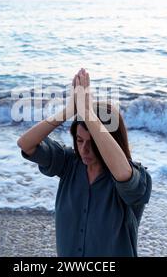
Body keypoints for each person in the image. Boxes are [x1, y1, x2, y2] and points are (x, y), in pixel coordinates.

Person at [17, 68, 152, 257]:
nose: (84, 150)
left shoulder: (135, 177)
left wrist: (88, 113)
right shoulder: (68, 164)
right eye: (80, 140)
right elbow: (26, 144)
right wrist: (70, 110)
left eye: (93, 142)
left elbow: (123, 175)